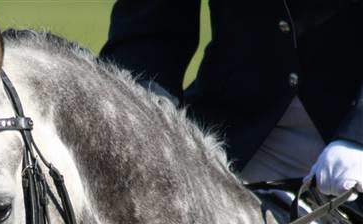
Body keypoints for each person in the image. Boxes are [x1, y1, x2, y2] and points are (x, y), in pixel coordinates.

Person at [99, 0, 363, 202]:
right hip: (228, 138)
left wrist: (358, 137)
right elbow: (149, 30)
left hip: (348, 132)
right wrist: (140, 121)